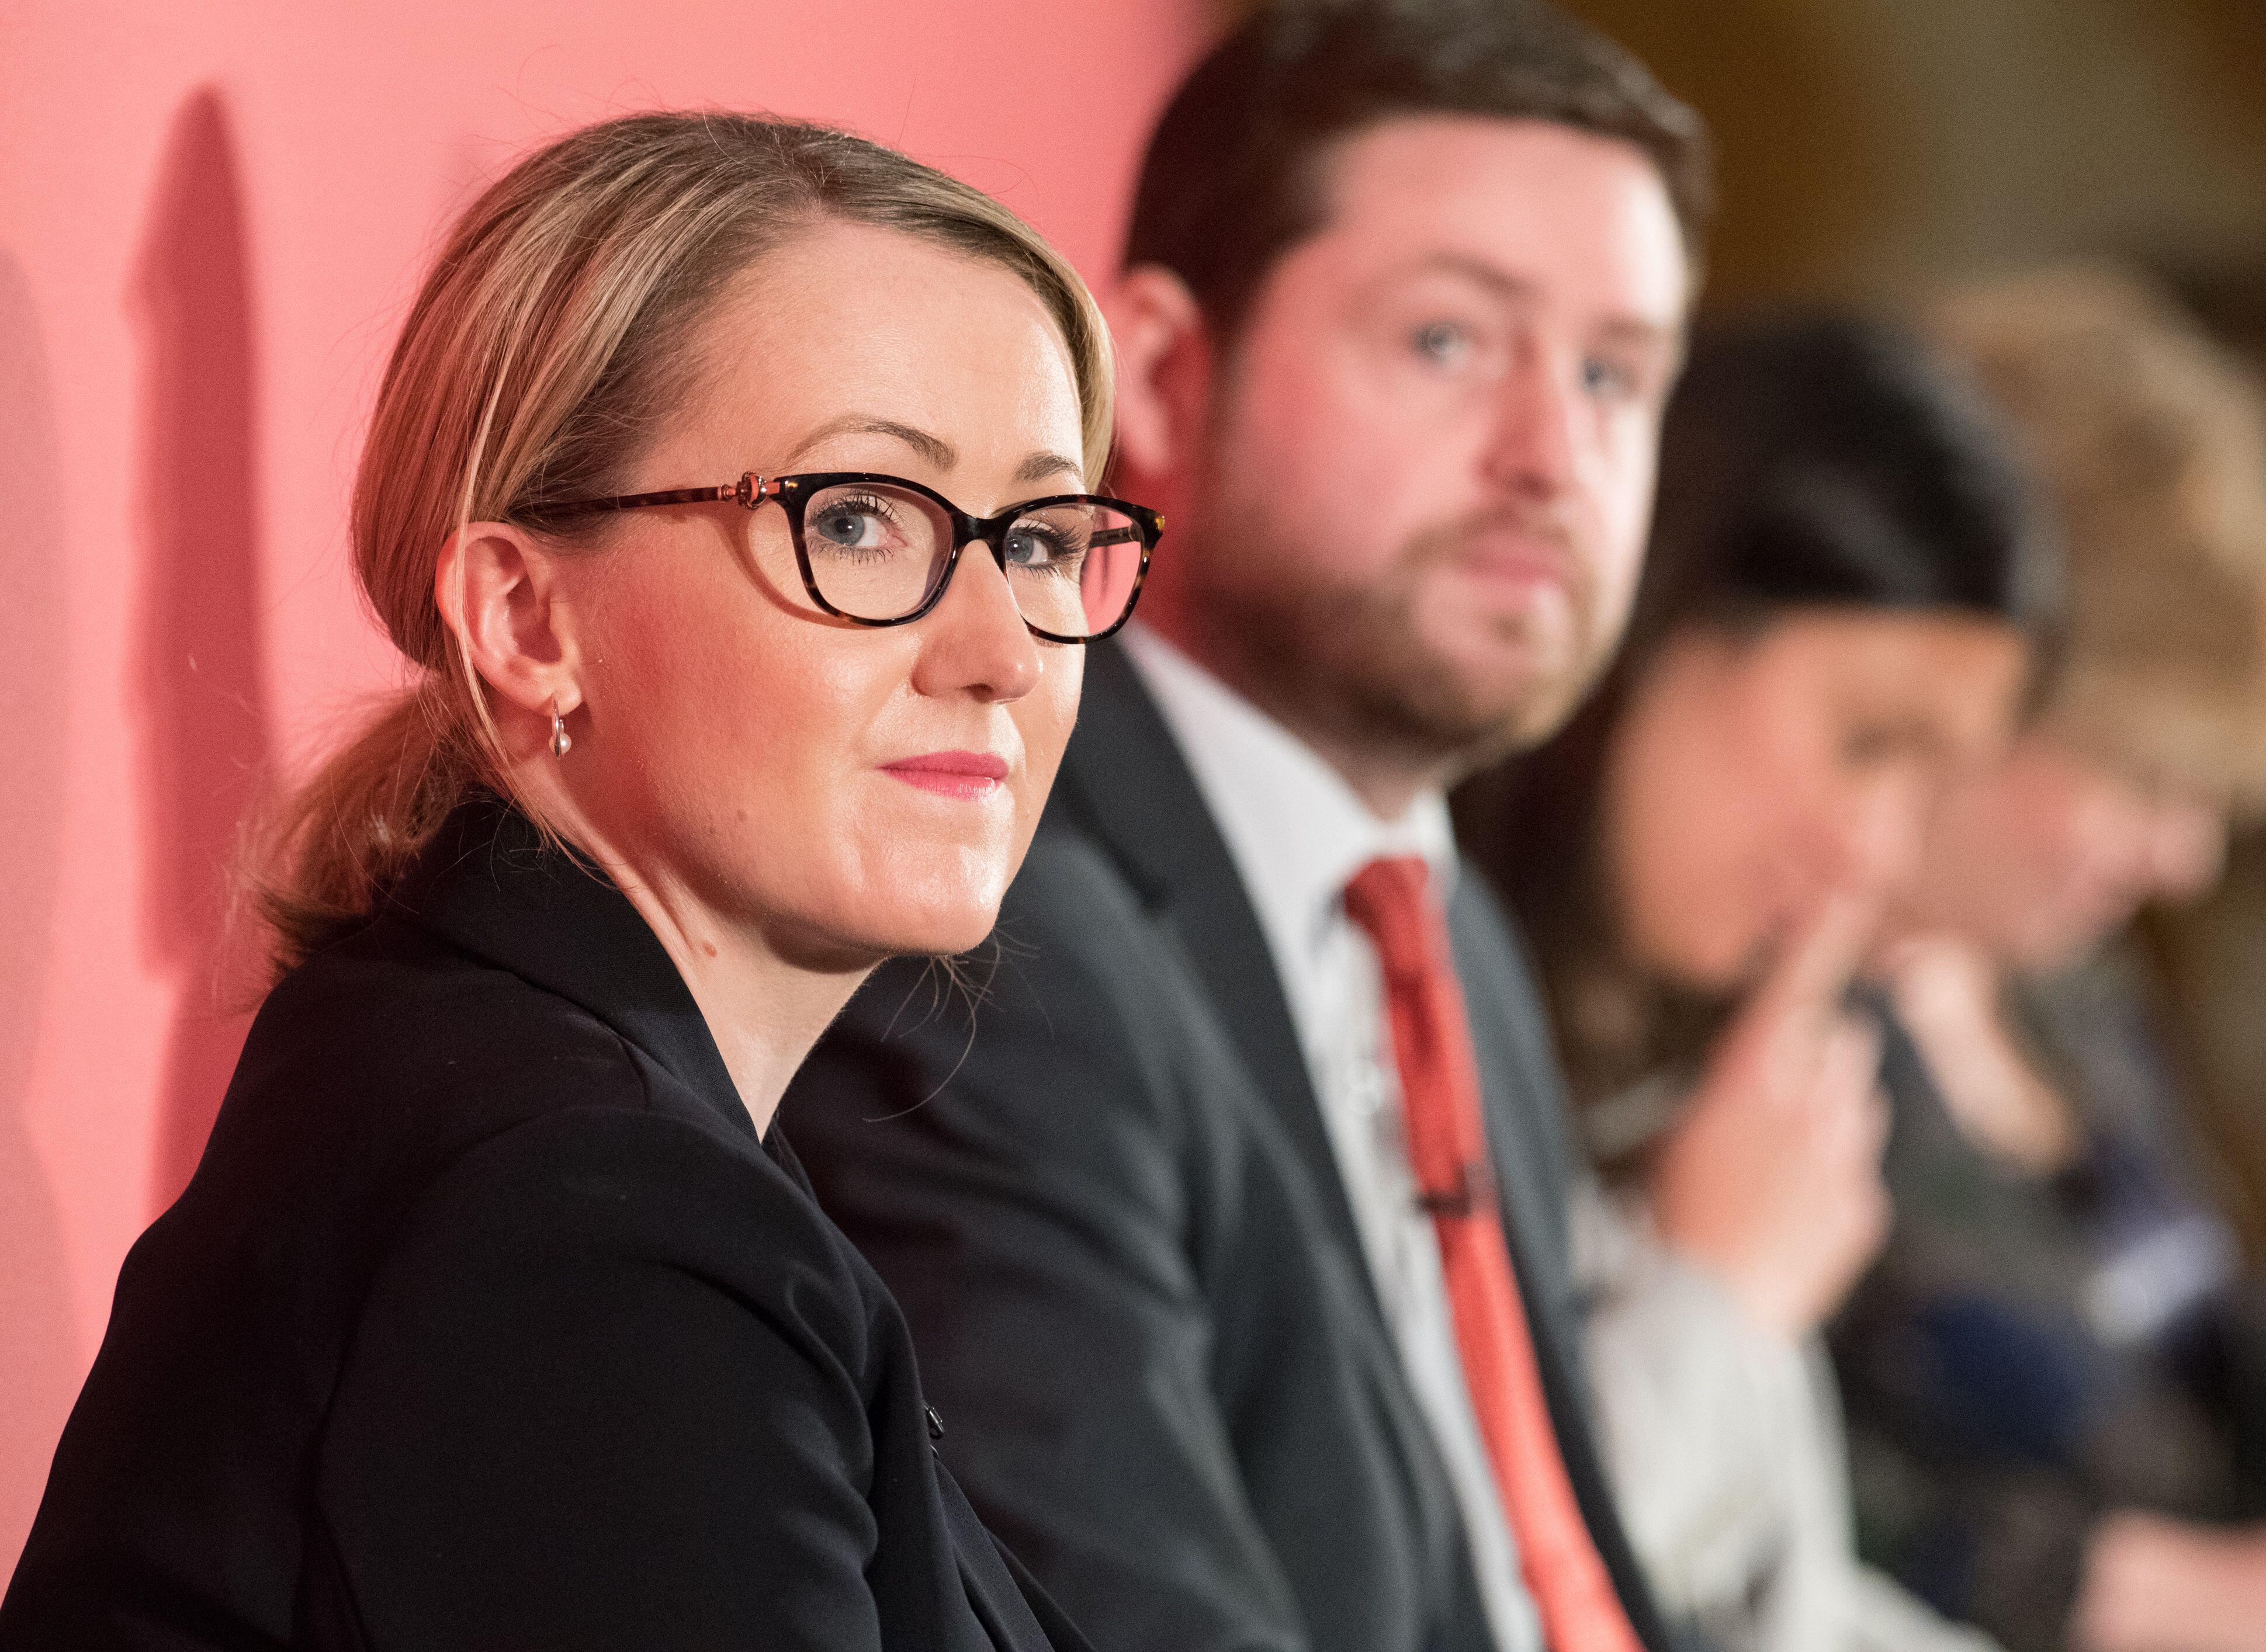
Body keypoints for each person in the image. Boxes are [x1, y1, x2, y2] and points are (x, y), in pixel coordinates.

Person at [0, 110, 1161, 1651]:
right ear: (526, 616)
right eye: (864, 520)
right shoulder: (577, 1220)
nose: (1006, 651)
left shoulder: (536, 1113)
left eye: (1036, 535)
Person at [779, 4, 1707, 1650]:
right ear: (1160, 372)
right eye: (1447, 341)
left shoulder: (1451, 932)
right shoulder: (994, 930)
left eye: (1613, 375)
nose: (1552, 457)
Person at [1836, 266, 2266, 1652]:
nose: (2183, 863)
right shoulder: (1707, 1034)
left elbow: (2182, 1362)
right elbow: (1734, 1511)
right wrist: (2169, 1604)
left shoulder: (2059, 988)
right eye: (2141, 776)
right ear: (1949, 684)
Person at [1455, 314, 2055, 1652]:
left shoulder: (1678, 1073)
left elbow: (1791, 1607)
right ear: (1656, 610)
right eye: (1866, 741)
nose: (1874, 851)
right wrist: (1719, 1294)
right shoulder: (1393, 1028)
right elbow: (1460, 1611)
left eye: (1928, 785)